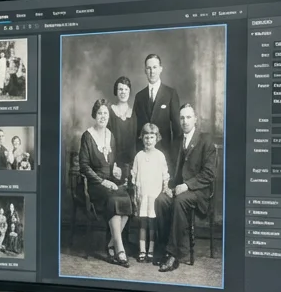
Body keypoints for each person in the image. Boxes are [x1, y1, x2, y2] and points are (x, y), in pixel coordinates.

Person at [154, 104, 218, 272]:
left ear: (195, 119)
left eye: (188, 117)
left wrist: (187, 185)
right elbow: (172, 171)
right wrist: (167, 186)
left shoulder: (205, 140)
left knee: (180, 201)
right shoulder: (177, 142)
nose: (185, 121)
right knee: (161, 200)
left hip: (198, 192)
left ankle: (173, 254)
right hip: (179, 188)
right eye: (182, 118)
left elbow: (209, 174)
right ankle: (163, 249)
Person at [78, 99, 132, 266]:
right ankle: (120, 250)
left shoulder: (111, 135)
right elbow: (84, 167)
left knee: (127, 199)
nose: (103, 116)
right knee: (114, 200)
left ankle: (110, 244)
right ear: (95, 115)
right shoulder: (87, 136)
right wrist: (103, 182)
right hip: (95, 185)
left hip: (110, 182)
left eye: (105, 113)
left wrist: (116, 172)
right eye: (100, 113)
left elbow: (112, 163)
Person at [129, 122, 169, 262]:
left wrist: (165, 187)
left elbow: (165, 174)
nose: (148, 140)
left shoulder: (160, 156)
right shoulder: (139, 156)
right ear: (142, 138)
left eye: (152, 137)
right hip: (143, 194)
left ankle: (150, 250)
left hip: (154, 195)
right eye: (146, 137)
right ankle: (142, 250)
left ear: (156, 138)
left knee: (152, 223)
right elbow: (134, 176)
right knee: (142, 223)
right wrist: (135, 194)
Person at [135, 54, 180, 159]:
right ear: (145, 70)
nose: (152, 71)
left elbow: (177, 130)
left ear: (160, 69)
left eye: (155, 67)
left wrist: (173, 156)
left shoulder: (171, 94)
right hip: (143, 154)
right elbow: (136, 130)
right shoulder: (139, 96)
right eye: (149, 68)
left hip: (164, 154)